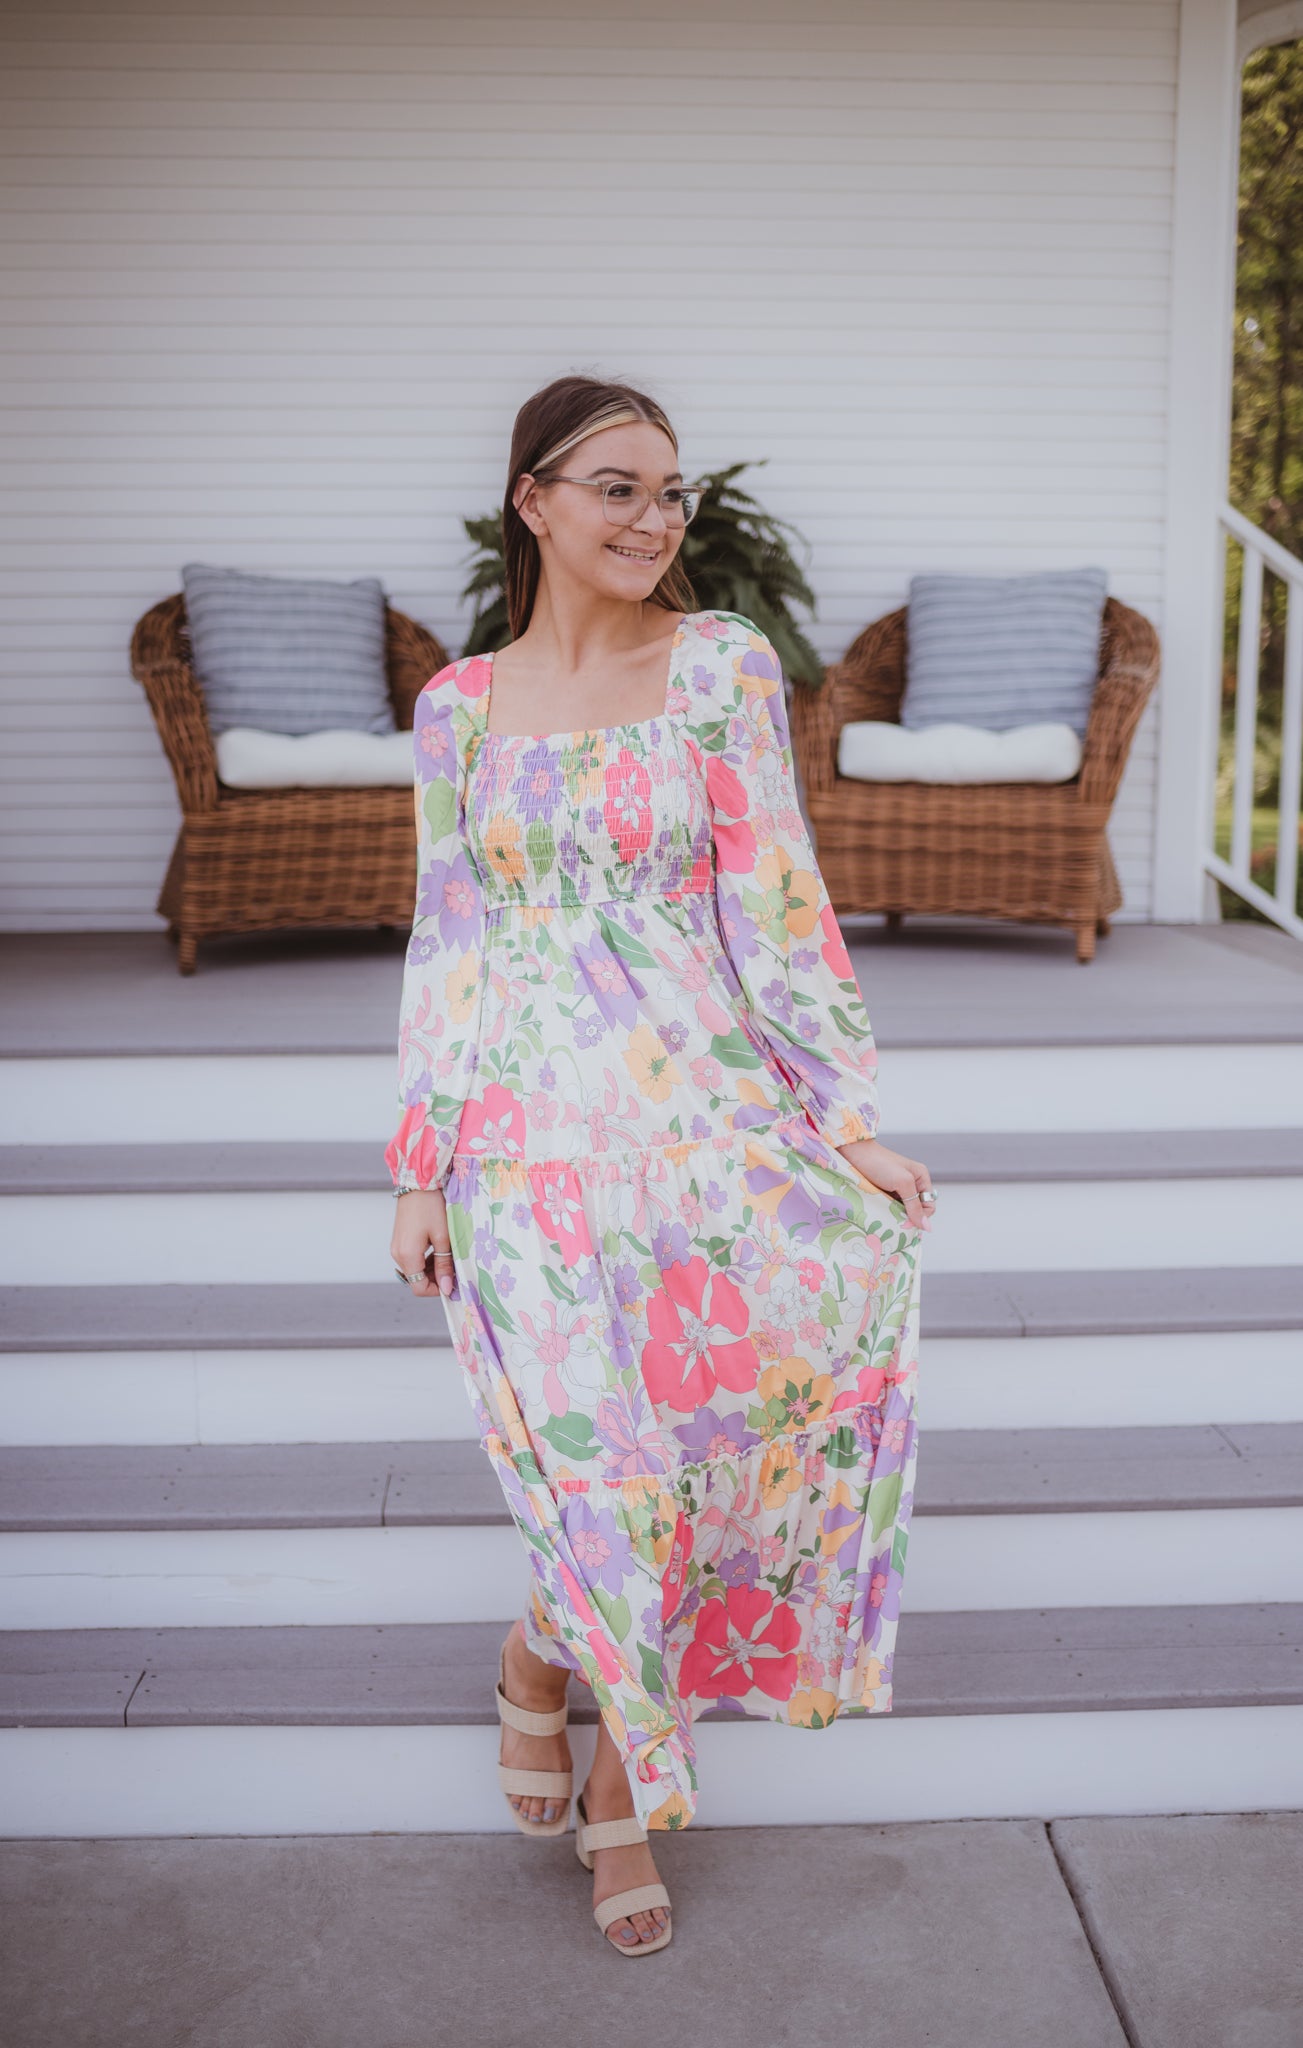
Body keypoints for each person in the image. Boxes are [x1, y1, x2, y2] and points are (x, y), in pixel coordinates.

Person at [387, 373, 934, 1956]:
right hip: (525, 1144)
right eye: (617, 487)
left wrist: (844, 1119)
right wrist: (421, 1163)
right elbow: (448, 939)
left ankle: (609, 1766)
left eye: (670, 490)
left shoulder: (717, 666)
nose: (654, 518)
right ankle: (544, 1658)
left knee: (693, 1460)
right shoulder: (456, 708)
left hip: (704, 1121)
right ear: (534, 502)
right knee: (590, 1456)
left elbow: (778, 897)